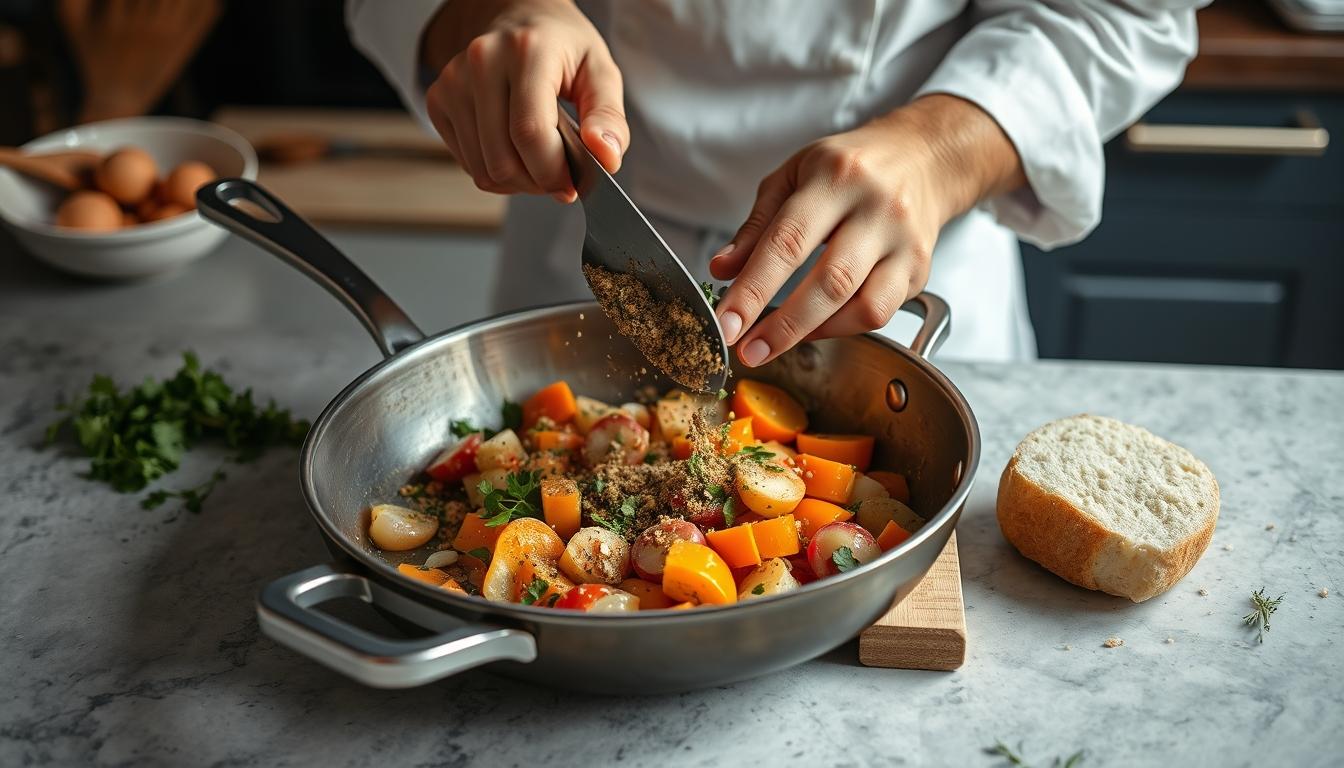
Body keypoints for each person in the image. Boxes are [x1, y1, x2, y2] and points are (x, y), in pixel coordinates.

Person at [347, 0, 1203, 366]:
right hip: (585, 231)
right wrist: (489, 12)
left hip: (899, 261)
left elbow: (1127, 16)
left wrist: (940, 153)